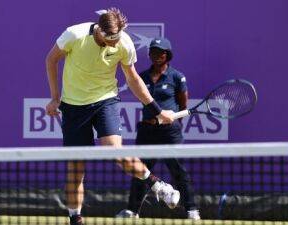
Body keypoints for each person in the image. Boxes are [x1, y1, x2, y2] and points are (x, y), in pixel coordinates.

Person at [45, 8, 180, 225]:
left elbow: (133, 78)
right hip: (73, 106)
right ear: (99, 30)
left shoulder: (123, 43)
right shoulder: (75, 35)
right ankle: (75, 219)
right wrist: (54, 97)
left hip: (105, 100)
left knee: (115, 151)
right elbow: (51, 60)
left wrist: (157, 110)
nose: (115, 43)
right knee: (76, 167)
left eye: (117, 37)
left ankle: (157, 185)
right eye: (111, 39)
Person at [116, 38, 201, 220]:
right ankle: (132, 211)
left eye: (160, 52)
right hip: (147, 131)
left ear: (167, 55)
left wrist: (174, 122)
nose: (156, 56)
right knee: (140, 171)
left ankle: (191, 210)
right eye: (153, 52)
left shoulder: (177, 77)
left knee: (178, 171)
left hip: (170, 131)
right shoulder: (143, 77)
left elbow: (182, 102)